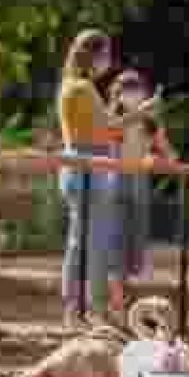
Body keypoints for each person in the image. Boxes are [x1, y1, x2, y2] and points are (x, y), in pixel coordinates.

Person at [57, 31, 157, 330]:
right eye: (105, 55)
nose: (108, 62)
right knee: (88, 244)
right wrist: (141, 112)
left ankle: (84, 309)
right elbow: (107, 129)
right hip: (87, 167)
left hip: (83, 166)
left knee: (84, 242)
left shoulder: (71, 86)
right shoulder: (82, 88)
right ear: (92, 55)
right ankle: (84, 310)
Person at [101, 67, 178, 303]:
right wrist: (140, 112)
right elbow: (109, 133)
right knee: (116, 246)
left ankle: (125, 303)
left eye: (138, 89)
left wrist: (158, 159)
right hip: (114, 185)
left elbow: (171, 156)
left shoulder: (150, 123)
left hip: (139, 185)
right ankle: (116, 302)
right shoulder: (112, 117)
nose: (135, 95)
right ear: (118, 93)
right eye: (129, 89)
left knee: (135, 247)